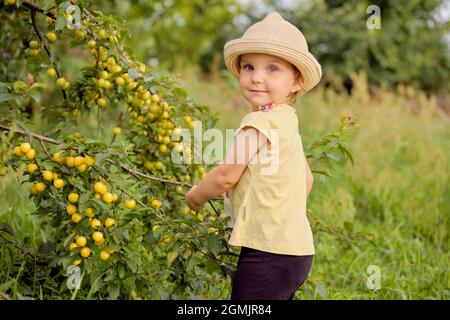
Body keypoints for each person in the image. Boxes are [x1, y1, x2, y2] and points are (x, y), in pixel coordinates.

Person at [185, 12, 322, 300]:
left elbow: (225, 176)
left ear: (296, 81)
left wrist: (196, 196)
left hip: (269, 251)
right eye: (249, 67)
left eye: (272, 69)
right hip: (296, 250)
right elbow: (306, 179)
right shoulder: (287, 119)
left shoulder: (259, 122)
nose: (257, 77)